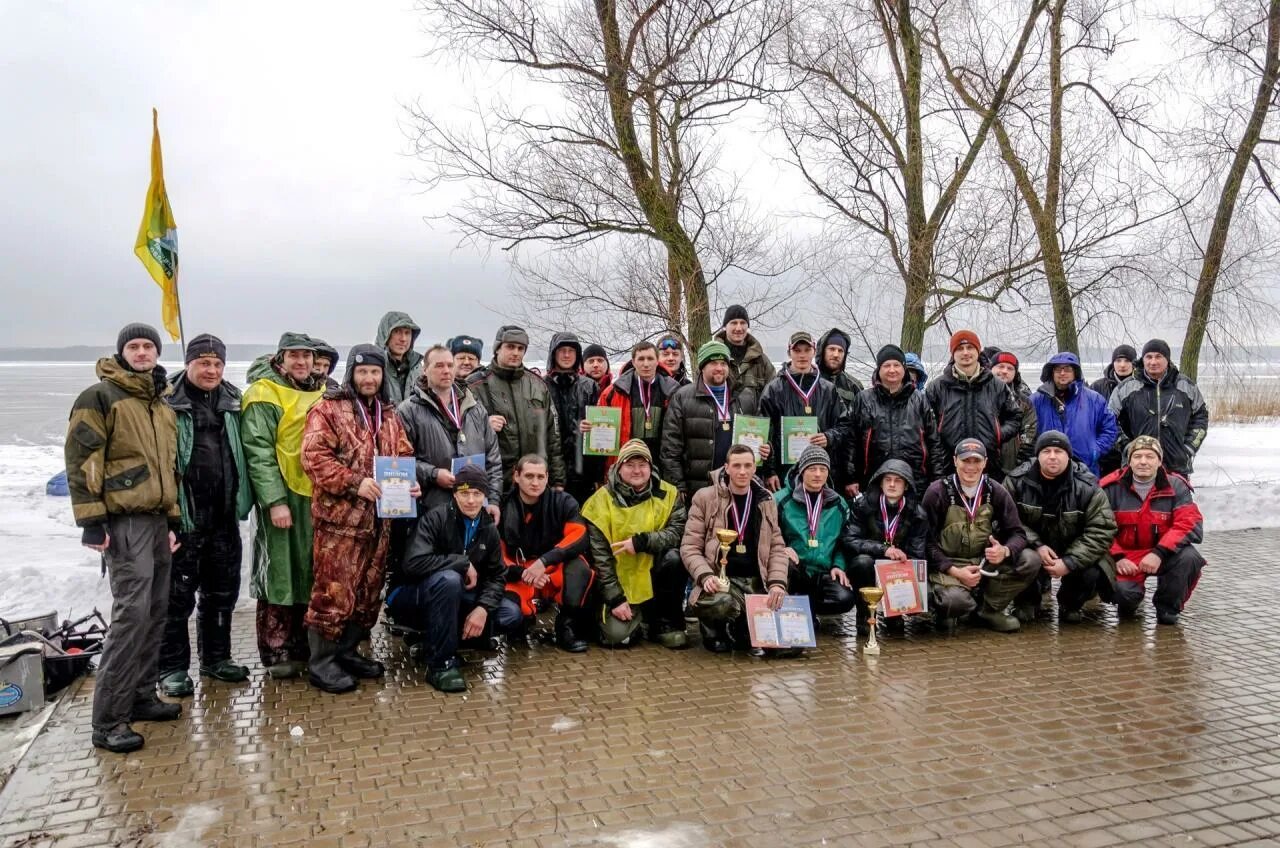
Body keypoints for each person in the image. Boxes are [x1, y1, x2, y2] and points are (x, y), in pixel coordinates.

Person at [65, 323, 182, 753]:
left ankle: (140, 696)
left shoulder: (161, 403)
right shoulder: (100, 397)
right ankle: (108, 721)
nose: (142, 352)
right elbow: (82, 460)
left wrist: (173, 520)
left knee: (155, 611)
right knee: (130, 615)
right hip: (124, 521)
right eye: (134, 346)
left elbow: (168, 469)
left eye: (148, 345)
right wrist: (91, 520)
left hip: (156, 520)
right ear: (121, 353)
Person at [300, 344, 417, 693]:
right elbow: (313, 458)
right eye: (363, 371)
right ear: (352, 373)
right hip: (340, 523)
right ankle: (321, 663)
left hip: (381, 522)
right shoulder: (328, 409)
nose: (369, 378)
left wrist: (409, 485)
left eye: (375, 372)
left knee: (367, 593)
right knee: (333, 592)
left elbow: (404, 453)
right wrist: (355, 483)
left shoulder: (389, 413)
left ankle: (347, 652)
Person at [157, 334, 252, 699]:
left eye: (217, 364)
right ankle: (173, 668)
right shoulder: (168, 401)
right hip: (185, 516)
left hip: (224, 515)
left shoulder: (233, 400)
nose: (211, 370)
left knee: (221, 593)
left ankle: (216, 658)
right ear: (188, 363)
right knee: (176, 598)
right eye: (204, 363)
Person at [391, 464, 523, 692]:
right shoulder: (436, 518)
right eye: (464, 493)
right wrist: (461, 563)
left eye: (477, 494)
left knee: (510, 613)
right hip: (413, 596)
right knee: (450, 579)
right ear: (454, 493)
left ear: (484, 496)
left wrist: (482, 608)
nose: (471, 500)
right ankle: (440, 665)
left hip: (457, 598)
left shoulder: (488, 527)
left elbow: (497, 574)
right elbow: (413, 564)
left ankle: (442, 641)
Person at [241, 332, 326, 679]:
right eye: (294, 356)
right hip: (284, 494)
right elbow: (258, 451)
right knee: (280, 571)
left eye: (307, 356)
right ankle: (277, 648)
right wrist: (275, 500)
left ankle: (305, 643)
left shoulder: (321, 390)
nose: (302, 362)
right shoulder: (264, 393)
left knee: (310, 569)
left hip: (316, 494)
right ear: (281, 358)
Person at [680, 444, 790, 653]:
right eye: (737, 465)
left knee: (787, 647)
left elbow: (777, 546)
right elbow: (689, 547)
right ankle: (713, 630)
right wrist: (705, 576)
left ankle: (742, 627)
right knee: (721, 603)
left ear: (754, 469)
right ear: (726, 468)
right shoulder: (704, 498)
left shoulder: (766, 500)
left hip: (755, 581)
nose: (742, 471)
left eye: (748, 465)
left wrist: (776, 584)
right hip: (720, 582)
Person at [581, 440, 689, 648]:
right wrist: (615, 599)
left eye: (642, 464)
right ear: (619, 467)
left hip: (653, 575)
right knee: (617, 638)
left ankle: (665, 622)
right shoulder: (599, 501)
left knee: (675, 558)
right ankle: (630, 618)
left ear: (651, 467)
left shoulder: (669, 494)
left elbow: (678, 532)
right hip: (617, 583)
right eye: (630, 465)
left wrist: (642, 542)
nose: (637, 470)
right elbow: (600, 559)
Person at [1003, 431, 1118, 624]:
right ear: (1037, 455)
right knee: (1021, 557)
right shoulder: (1016, 481)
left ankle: (1070, 604)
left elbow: (1102, 529)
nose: (1052, 456)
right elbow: (1005, 520)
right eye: (1046, 451)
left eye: (1059, 451)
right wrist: (1037, 545)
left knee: (1092, 568)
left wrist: (1070, 562)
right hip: (1032, 547)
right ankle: (1026, 602)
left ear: (1068, 455)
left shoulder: (1088, 486)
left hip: (1071, 547)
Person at [922, 439, 1034, 633]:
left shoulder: (996, 491)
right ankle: (947, 609)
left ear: (985, 462)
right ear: (955, 461)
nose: (971, 467)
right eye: (966, 461)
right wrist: (955, 571)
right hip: (949, 566)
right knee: (954, 603)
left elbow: (1018, 533)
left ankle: (988, 610)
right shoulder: (936, 492)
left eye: (976, 461)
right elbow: (926, 542)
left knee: (1030, 560)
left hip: (984, 563)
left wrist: (1004, 551)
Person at [1100, 436, 1205, 625]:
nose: (1143, 461)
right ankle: (1129, 602)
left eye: (1150, 456)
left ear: (1159, 461)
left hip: (1163, 552)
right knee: (1124, 595)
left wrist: (1159, 552)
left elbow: (1189, 523)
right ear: (1129, 460)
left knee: (1189, 558)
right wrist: (1117, 557)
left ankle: (1167, 607)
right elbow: (1099, 527)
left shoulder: (1177, 486)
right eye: (1137, 456)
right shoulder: (1110, 488)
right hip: (1126, 555)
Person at [498, 454, 594, 651]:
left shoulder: (563, 502)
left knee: (579, 568)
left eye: (540, 477)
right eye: (529, 476)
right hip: (517, 572)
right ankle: (523, 620)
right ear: (516, 476)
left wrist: (544, 562)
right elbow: (496, 554)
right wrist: (523, 573)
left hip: (549, 568)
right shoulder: (501, 505)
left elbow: (580, 536)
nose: (535, 482)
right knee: (512, 620)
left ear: (548, 477)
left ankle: (565, 626)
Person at [398, 344, 502, 516]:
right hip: (432, 508)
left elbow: (493, 460)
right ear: (425, 370)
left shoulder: (475, 407)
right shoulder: (408, 411)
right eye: (439, 366)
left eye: (450, 365)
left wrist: (493, 500)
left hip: (474, 506)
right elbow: (401, 461)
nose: (446, 371)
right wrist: (433, 474)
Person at [659, 340, 765, 501]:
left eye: (723, 363)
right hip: (699, 487)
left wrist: (766, 448)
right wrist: (677, 485)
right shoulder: (683, 397)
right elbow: (670, 448)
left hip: (738, 484)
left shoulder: (745, 397)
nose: (719, 368)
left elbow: (761, 436)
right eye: (713, 363)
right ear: (702, 367)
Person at [467, 325, 567, 490]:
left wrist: (557, 481)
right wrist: (483, 425)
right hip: (494, 483)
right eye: (510, 347)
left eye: (521, 348)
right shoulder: (475, 385)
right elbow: (459, 434)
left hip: (533, 482)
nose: (516, 353)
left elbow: (553, 437)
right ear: (497, 349)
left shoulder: (538, 385)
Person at [773, 447, 858, 624]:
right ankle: (795, 609)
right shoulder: (780, 500)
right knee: (783, 562)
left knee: (845, 598)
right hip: (796, 569)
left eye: (823, 469)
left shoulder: (838, 503)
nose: (818, 474)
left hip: (823, 571)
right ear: (802, 471)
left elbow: (845, 540)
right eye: (812, 469)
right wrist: (781, 547)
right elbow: (767, 534)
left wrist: (838, 565)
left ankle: (809, 609)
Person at [925, 330, 1023, 481]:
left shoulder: (997, 386)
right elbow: (927, 425)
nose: (965, 353)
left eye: (970, 348)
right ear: (953, 353)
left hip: (988, 464)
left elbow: (1015, 416)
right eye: (959, 349)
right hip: (948, 464)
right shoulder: (937, 387)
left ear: (978, 351)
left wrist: (997, 434)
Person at [847, 344, 945, 495]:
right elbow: (851, 441)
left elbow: (934, 442)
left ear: (904, 369)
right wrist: (850, 477)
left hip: (915, 483)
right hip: (873, 482)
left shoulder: (919, 400)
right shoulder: (863, 399)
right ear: (879, 369)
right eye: (886, 365)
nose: (892, 370)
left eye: (896, 365)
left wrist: (937, 478)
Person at [758, 331, 849, 491]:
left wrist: (829, 437)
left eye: (807, 350)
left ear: (814, 351)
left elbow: (846, 426)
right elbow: (764, 433)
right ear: (789, 352)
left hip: (819, 472)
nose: (802, 355)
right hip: (783, 473)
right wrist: (769, 471)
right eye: (797, 350)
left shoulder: (828, 389)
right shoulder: (774, 389)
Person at [846, 459, 930, 632]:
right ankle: (865, 614)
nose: (892, 484)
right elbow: (850, 539)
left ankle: (895, 611)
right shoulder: (863, 506)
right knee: (862, 563)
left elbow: (917, 553)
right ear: (880, 482)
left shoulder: (918, 514)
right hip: (869, 565)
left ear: (906, 486)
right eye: (888, 479)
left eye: (898, 480)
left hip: (898, 568)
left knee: (925, 595)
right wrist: (885, 550)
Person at [1109, 339, 1209, 477]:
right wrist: (1126, 446)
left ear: (1167, 359)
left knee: (1179, 499)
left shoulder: (1185, 386)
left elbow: (1201, 416)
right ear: (1142, 360)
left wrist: (1188, 449)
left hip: (1176, 466)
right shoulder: (1126, 388)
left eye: (1158, 357)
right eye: (1148, 357)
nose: (1153, 362)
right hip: (1138, 466)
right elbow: (1108, 420)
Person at [595, 341, 681, 468]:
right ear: (633, 362)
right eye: (641, 359)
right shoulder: (612, 393)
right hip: (626, 463)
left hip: (662, 463)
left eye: (650, 358)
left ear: (658, 361)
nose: (646, 364)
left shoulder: (674, 391)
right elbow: (600, 436)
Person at [1031, 352, 1118, 477]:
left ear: (1075, 372)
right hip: (1047, 469)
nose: (1062, 373)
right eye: (1058, 369)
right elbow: (1026, 431)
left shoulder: (1094, 400)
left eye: (1067, 369)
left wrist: (1094, 449)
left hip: (1085, 468)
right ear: (1051, 372)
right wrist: (1037, 452)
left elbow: (1109, 428)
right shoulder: (1036, 400)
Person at [546, 332, 602, 504]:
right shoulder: (541, 386)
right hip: (550, 470)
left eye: (571, 350)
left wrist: (592, 428)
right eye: (562, 350)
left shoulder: (590, 386)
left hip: (583, 471)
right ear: (553, 354)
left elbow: (601, 432)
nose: (567, 355)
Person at [989, 350, 1039, 476]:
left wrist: (1020, 463)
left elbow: (1029, 433)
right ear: (991, 369)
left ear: (1015, 373)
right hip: (980, 466)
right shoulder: (977, 396)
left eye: (1010, 368)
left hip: (1012, 468)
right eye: (1000, 366)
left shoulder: (1024, 402)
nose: (1005, 371)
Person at [1090, 344, 1137, 475]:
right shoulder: (1097, 387)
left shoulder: (1141, 386)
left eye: (1127, 361)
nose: (1122, 365)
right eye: (1118, 360)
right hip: (1106, 453)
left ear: (1134, 363)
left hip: (1135, 449)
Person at [713, 304, 776, 393]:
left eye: (743, 323)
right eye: (734, 323)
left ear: (747, 326)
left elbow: (774, 393)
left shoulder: (761, 360)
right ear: (725, 326)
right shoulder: (712, 357)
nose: (739, 328)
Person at [375, 311, 424, 404]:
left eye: (407, 333)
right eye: (397, 332)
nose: (403, 339)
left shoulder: (418, 368)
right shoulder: (370, 366)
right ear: (385, 334)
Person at [815, 328, 865, 414]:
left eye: (840, 351)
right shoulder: (809, 381)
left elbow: (862, 419)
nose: (836, 355)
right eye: (832, 349)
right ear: (822, 351)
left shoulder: (854, 386)